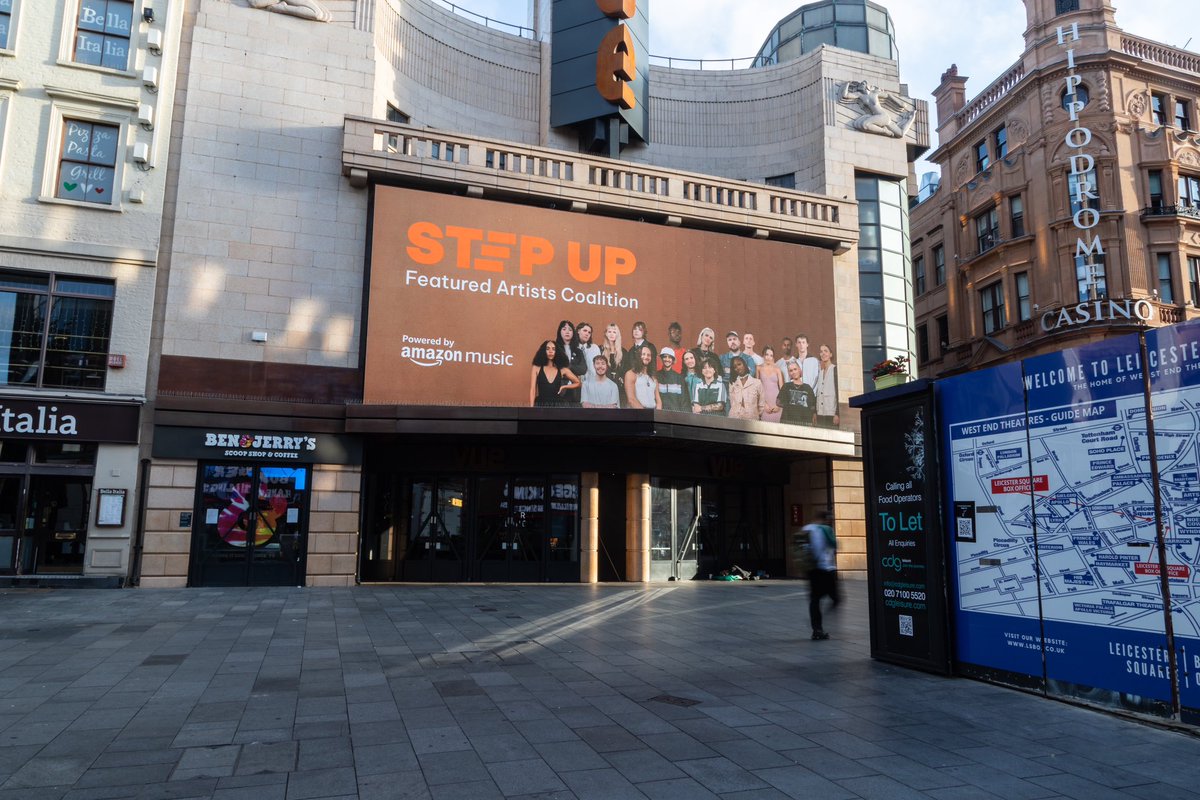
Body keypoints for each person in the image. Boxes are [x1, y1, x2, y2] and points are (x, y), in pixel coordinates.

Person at [803, 510, 839, 639]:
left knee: (815, 599)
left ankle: (817, 629)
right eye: (829, 519)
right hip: (826, 569)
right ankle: (820, 624)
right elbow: (834, 547)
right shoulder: (825, 529)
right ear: (824, 519)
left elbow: (802, 548)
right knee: (836, 598)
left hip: (812, 569)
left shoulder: (806, 528)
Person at [529, 340, 580, 407]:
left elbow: (578, 383)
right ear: (543, 351)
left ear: (557, 352)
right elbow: (533, 390)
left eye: (553, 349)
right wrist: (531, 409)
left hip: (557, 406)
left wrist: (564, 386)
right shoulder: (536, 368)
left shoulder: (562, 370)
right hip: (540, 405)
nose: (550, 351)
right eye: (547, 349)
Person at [555, 320, 587, 406]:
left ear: (573, 333)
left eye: (570, 329)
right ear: (559, 332)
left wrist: (568, 367)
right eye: (564, 329)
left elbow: (583, 369)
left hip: (575, 391)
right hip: (559, 389)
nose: (567, 332)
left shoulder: (578, 351)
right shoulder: (554, 349)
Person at [778, 361, 817, 425]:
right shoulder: (786, 386)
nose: (793, 372)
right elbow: (779, 402)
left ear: (799, 370)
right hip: (788, 421)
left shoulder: (807, 388)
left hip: (804, 422)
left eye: (795, 369)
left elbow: (812, 406)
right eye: (791, 370)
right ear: (789, 374)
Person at [624, 343, 662, 410]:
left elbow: (658, 400)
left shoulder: (653, 378)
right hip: (638, 413)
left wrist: (657, 414)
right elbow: (631, 400)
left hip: (653, 412)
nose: (646, 357)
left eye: (648, 355)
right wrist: (645, 415)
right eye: (643, 354)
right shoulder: (631, 374)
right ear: (638, 356)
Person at [727, 355, 764, 420]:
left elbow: (761, 405)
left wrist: (754, 414)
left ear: (744, 364)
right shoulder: (732, 383)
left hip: (752, 419)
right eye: (734, 367)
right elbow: (732, 403)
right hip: (734, 418)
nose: (737, 368)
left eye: (739, 364)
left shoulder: (757, 383)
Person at [813, 343, 839, 427]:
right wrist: (815, 412)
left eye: (826, 351)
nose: (823, 353)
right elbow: (817, 393)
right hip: (820, 413)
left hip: (831, 414)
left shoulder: (835, 370)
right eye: (821, 351)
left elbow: (838, 392)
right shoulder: (820, 373)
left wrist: (837, 414)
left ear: (830, 354)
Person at [656, 348, 690, 412]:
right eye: (665, 357)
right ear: (661, 358)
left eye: (670, 357)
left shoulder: (679, 378)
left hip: (676, 416)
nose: (667, 359)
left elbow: (684, 402)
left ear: (673, 360)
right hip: (660, 415)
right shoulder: (656, 376)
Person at [758, 345, 784, 423]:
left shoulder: (777, 369)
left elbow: (782, 389)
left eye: (771, 355)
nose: (768, 357)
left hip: (776, 402)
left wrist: (779, 405)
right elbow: (757, 388)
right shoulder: (758, 368)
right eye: (767, 354)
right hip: (764, 402)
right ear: (763, 355)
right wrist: (764, 404)